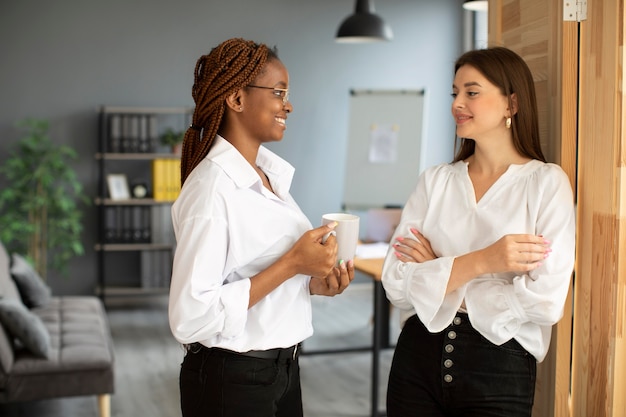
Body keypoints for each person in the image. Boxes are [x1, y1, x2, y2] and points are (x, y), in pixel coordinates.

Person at [381, 46, 575, 417]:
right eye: (454, 93)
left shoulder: (546, 184)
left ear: (511, 104)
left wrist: (438, 272)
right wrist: (486, 261)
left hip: (500, 369)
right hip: (416, 359)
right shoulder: (435, 181)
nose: (457, 102)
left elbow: (546, 303)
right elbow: (396, 283)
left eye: (471, 92)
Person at [168, 38, 355, 417]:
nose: (288, 104)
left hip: (282, 370)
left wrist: (313, 282)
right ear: (236, 99)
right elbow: (190, 316)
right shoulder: (212, 190)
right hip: (232, 380)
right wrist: (291, 264)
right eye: (278, 92)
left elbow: (252, 272)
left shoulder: (269, 177)